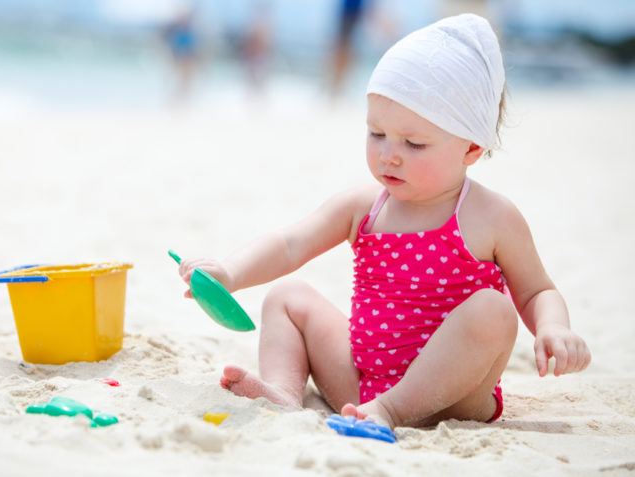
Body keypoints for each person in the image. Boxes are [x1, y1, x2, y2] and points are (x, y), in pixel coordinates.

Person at [176, 14, 591, 431]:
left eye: (413, 143)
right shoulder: (366, 206)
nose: (389, 154)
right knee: (287, 296)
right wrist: (230, 272)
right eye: (376, 134)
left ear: (471, 148)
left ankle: (391, 411)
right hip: (360, 385)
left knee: (494, 311)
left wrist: (553, 328)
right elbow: (291, 244)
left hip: (454, 394)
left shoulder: (493, 216)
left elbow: (537, 290)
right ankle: (285, 392)